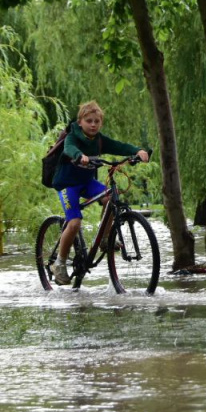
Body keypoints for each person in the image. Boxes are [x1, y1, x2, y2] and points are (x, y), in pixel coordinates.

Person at [50, 100, 149, 285]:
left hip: (87, 182)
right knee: (75, 222)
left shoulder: (100, 141)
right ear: (80, 122)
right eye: (89, 121)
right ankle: (59, 263)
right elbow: (69, 148)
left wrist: (138, 151)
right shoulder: (72, 137)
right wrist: (79, 156)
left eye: (97, 121)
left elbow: (119, 146)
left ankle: (105, 238)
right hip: (67, 185)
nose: (93, 124)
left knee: (111, 196)